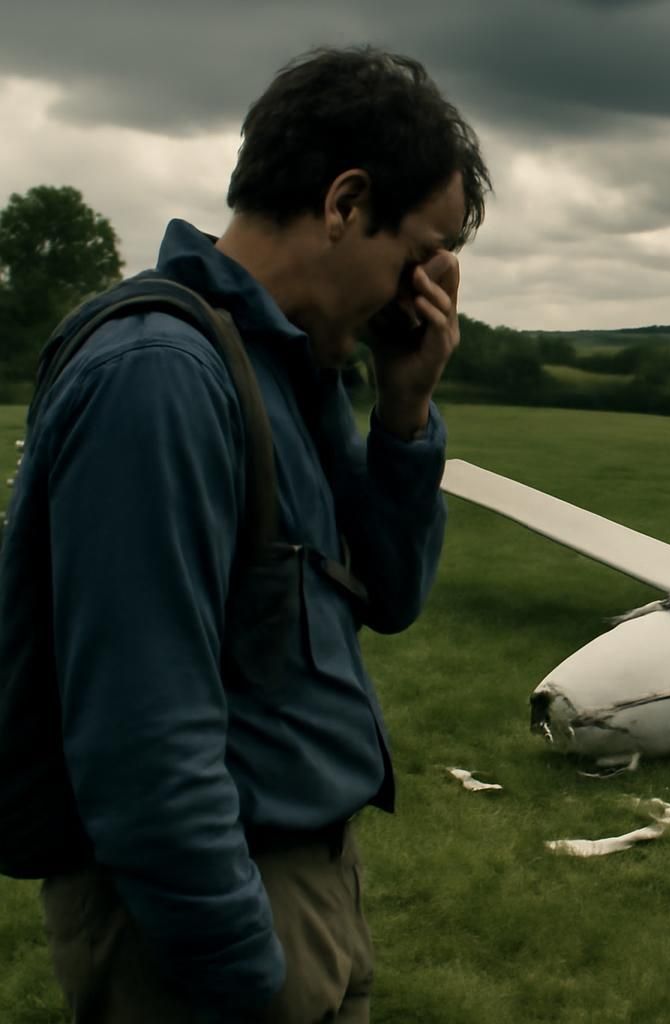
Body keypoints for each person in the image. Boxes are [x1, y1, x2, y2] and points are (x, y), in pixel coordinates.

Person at [0, 46, 490, 1021]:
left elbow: (386, 597)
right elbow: (142, 737)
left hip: (306, 893)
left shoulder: (286, 374)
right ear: (346, 202)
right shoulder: (163, 377)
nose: (417, 296)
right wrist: (239, 972)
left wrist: (403, 412)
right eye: (415, 256)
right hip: (209, 929)